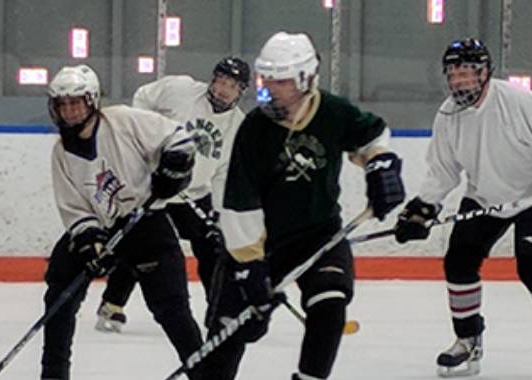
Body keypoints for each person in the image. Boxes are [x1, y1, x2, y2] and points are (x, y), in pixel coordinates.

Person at [200, 31, 406, 380]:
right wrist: (250, 267)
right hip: (260, 244)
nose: (269, 88)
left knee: (330, 304)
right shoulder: (254, 128)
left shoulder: (332, 111)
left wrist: (380, 163)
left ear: (305, 79)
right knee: (236, 331)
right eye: (267, 79)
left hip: (319, 234)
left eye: (280, 81)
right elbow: (239, 204)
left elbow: (372, 136)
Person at [394, 38, 532, 378]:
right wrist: (423, 208)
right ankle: (467, 340)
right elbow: (443, 170)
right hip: (484, 197)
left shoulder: (515, 101)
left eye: (468, 73)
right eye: (454, 74)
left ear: (485, 73)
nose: (461, 81)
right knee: (459, 263)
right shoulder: (448, 115)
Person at [41, 64, 204, 380]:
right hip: (102, 229)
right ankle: (53, 374)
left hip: (147, 223)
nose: (70, 111)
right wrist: (89, 241)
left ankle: (207, 374)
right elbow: (75, 209)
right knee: (60, 292)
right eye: (63, 104)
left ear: (91, 101)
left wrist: (174, 168)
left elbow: (179, 138)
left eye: (76, 102)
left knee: (172, 309)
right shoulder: (61, 152)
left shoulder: (124, 121)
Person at [94, 57, 254, 333]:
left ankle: (218, 311)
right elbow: (143, 97)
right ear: (212, 79)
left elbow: (224, 171)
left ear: (241, 91)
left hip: (194, 194)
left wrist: (218, 210)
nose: (224, 90)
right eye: (221, 82)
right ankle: (112, 304)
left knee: (213, 249)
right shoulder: (181, 89)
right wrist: (141, 142)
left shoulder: (238, 126)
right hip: (158, 185)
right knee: (144, 245)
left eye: (232, 86)